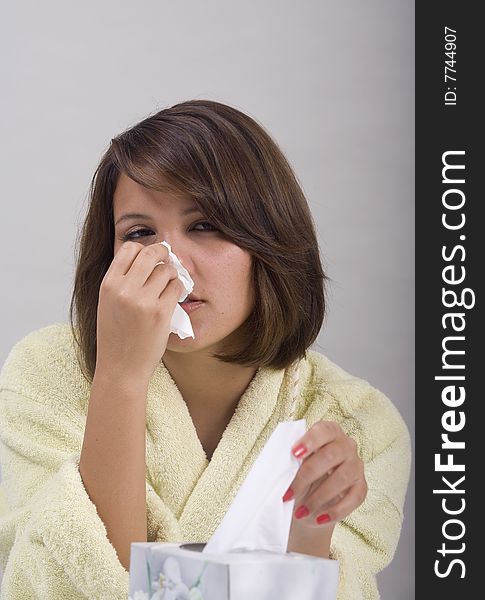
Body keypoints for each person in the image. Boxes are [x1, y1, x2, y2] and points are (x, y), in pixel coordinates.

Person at [0, 99, 411, 599]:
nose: (171, 262)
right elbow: (69, 584)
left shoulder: (361, 423)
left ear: (269, 236)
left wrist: (310, 534)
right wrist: (120, 380)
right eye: (140, 233)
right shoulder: (46, 372)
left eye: (205, 224)